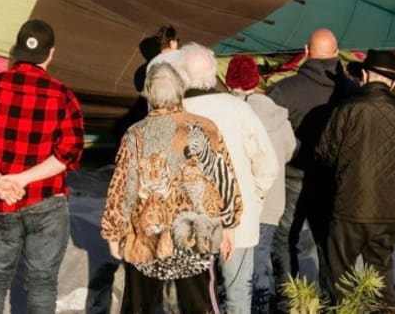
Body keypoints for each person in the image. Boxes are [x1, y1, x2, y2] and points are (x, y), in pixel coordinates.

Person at [0, 19, 85, 314]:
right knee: (41, 283)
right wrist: (23, 180)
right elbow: (69, 153)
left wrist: (0, 180)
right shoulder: (63, 96)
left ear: (15, 49)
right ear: (50, 53)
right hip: (46, 202)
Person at [101, 63, 242, 314]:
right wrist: (229, 224)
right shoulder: (205, 128)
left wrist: (114, 234)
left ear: (148, 94)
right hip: (194, 238)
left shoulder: (135, 134)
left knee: (137, 308)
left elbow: (121, 190)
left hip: (146, 239)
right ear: (181, 92)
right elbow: (225, 180)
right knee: (200, 306)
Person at [177, 44, 279, 314]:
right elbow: (268, 163)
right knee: (238, 296)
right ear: (213, 75)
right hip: (239, 215)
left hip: (188, 220)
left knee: (195, 299)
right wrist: (254, 195)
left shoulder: (173, 114)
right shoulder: (239, 109)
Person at [317, 49, 395, 312]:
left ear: (363, 74)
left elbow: (324, 154)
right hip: (389, 209)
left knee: (340, 278)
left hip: (350, 205)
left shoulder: (347, 109)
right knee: (381, 277)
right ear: (393, 81)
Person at [265, 28, 356, 298]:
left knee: (283, 240)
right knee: (329, 243)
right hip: (332, 180)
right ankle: (333, 301)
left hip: (292, 178)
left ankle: (291, 298)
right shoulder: (353, 93)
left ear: (306, 51)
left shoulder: (283, 90)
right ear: (337, 54)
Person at [225, 54, 297, 314]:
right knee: (261, 260)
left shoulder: (230, 113)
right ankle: (262, 308)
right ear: (256, 81)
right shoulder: (276, 113)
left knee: (236, 266)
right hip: (271, 200)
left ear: (228, 80)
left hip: (241, 204)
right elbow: (289, 151)